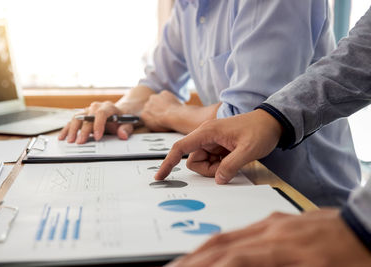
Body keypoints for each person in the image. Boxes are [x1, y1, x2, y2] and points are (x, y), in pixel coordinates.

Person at [59, 0, 360, 207]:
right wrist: (117, 109)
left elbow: (246, 118)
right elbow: (155, 84)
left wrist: (170, 114)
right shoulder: (188, 6)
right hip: (242, 183)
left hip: (310, 198)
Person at [156, 6, 371, 266]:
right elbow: (361, 55)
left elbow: (238, 110)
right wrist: (272, 117)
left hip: (317, 204)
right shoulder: (186, 7)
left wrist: (361, 227)